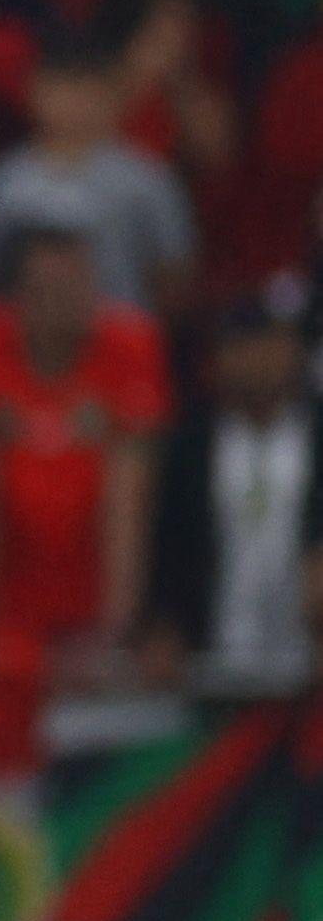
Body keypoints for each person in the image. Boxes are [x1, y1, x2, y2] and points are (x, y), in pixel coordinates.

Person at [0, 223, 169, 672]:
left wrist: (115, 630)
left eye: (83, 282)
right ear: (17, 298)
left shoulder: (131, 343)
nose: (74, 300)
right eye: (55, 288)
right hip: (10, 603)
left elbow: (127, 500)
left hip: (93, 591)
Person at [146, 284, 323, 684]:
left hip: (308, 669)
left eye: (275, 343)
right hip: (209, 662)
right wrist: (163, 625)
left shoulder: (317, 437)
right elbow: (166, 543)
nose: (263, 359)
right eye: (247, 344)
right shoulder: (190, 446)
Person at [0, 36, 197, 314]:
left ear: (113, 94)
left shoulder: (147, 177)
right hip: (25, 343)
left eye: (85, 89)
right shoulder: (3, 181)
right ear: (33, 91)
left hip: (122, 337)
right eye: (61, 86)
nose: (73, 102)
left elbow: (172, 274)